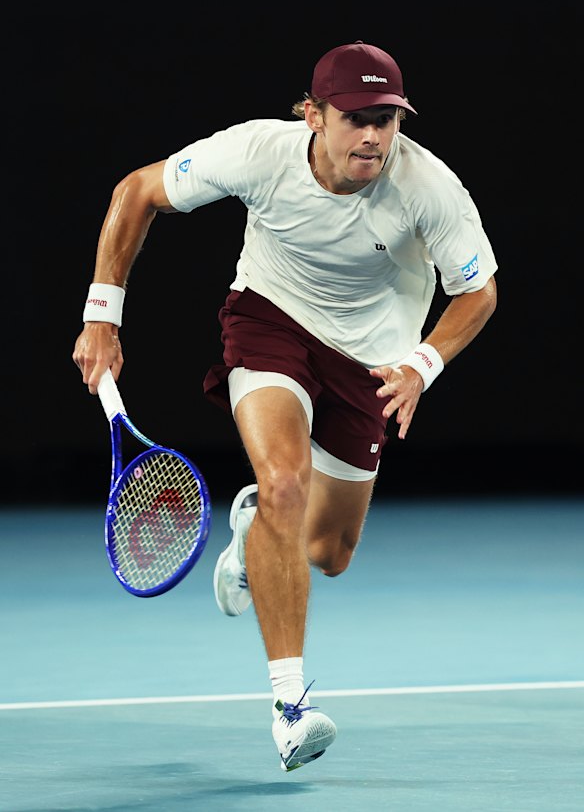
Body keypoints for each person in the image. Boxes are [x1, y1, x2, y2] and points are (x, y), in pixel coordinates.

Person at [72, 40, 498, 772]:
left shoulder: (429, 186)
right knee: (283, 482)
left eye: (386, 119)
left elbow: (478, 290)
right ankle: (291, 706)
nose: (372, 135)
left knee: (329, 552)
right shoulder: (259, 152)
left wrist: (422, 364)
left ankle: (252, 539)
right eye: (356, 117)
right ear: (313, 114)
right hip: (271, 321)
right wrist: (100, 314)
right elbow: (135, 191)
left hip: (372, 357)